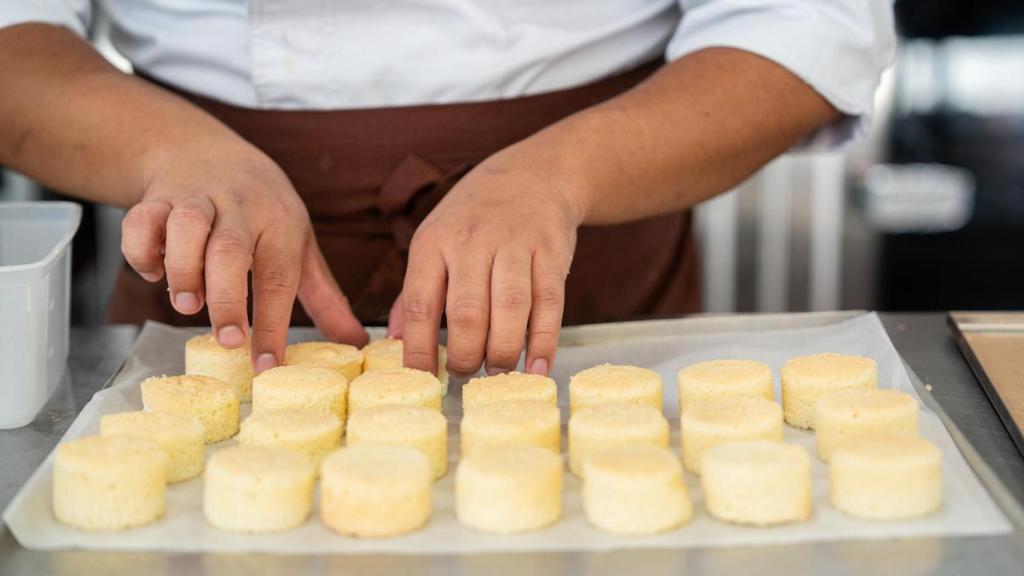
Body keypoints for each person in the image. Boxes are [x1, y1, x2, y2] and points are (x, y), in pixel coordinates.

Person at [0, 1, 895, 377]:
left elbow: (806, 26)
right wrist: (173, 153)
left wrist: (561, 171)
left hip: (599, 270)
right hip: (207, 270)